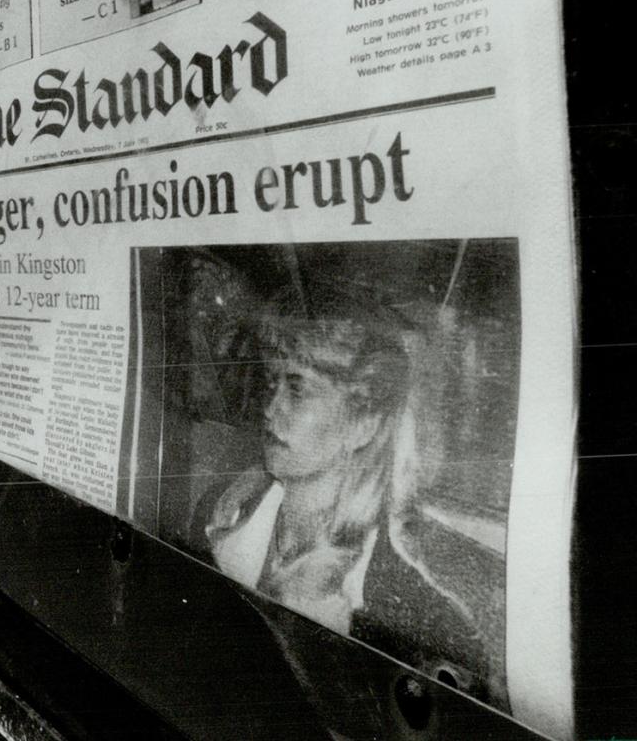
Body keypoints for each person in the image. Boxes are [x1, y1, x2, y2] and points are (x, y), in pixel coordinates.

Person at [198, 282, 492, 699]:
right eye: (271, 383)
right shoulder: (218, 512)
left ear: (363, 423)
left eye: (297, 388)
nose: (270, 407)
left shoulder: (418, 612)